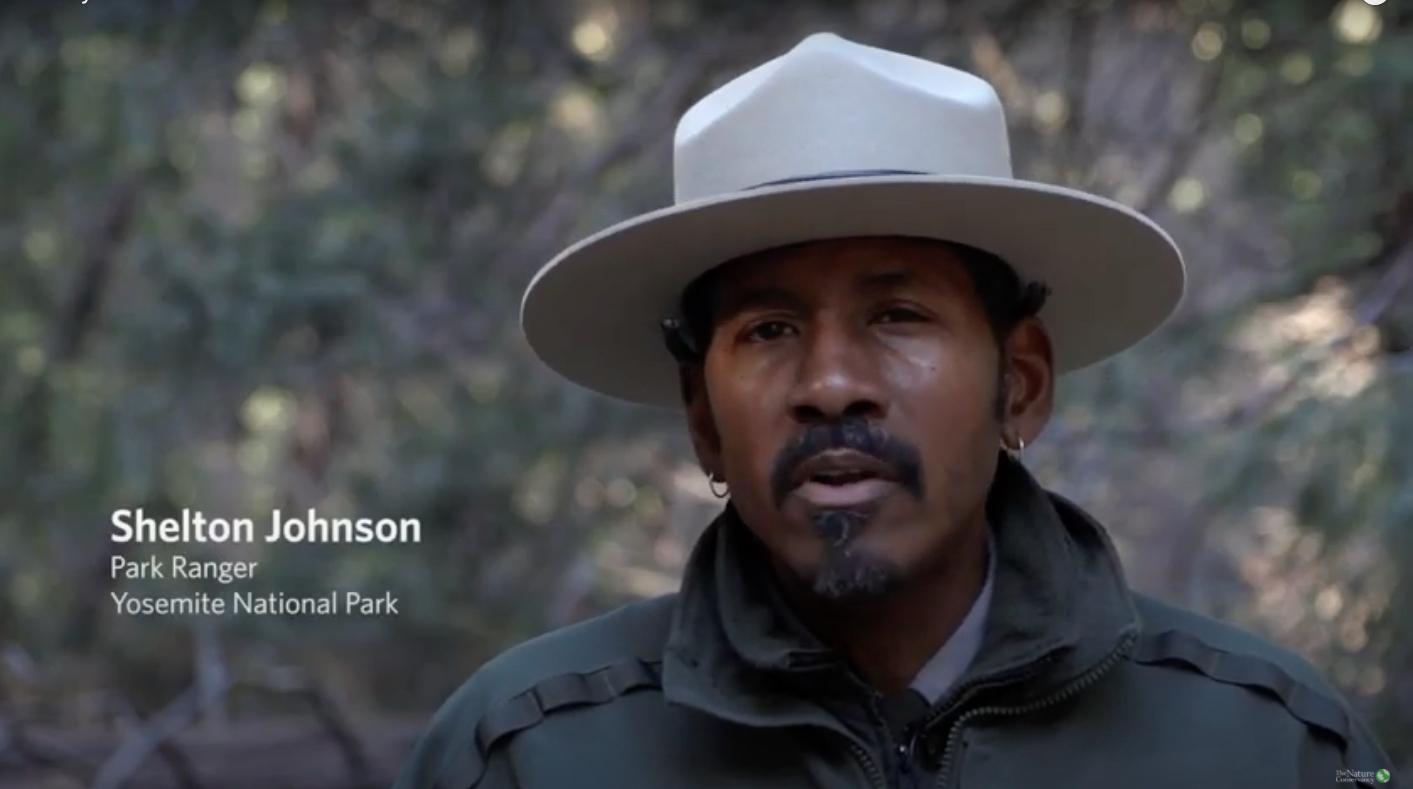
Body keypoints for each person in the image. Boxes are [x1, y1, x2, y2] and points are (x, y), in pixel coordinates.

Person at [394, 33, 1393, 789]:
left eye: (900, 315)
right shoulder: (526, 752)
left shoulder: (1275, 745)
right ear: (702, 419)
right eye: (771, 329)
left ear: (1022, 383)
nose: (832, 384)